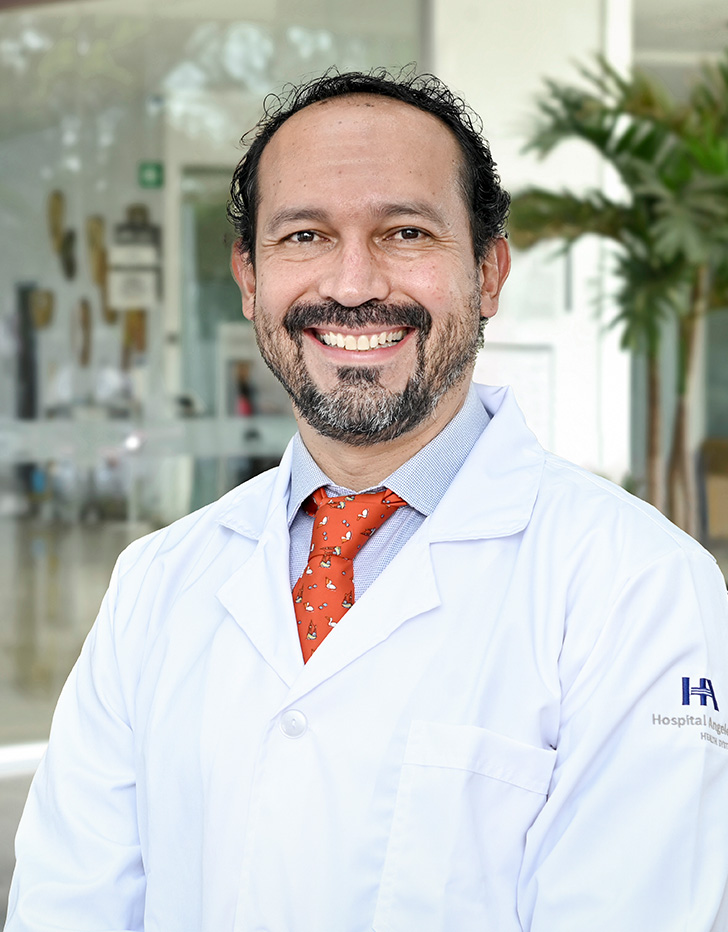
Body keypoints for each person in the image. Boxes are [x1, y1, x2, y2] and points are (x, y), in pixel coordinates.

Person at [6, 69, 728, 932]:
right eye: (305, 235)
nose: (351, 285)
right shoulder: (154, 582)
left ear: (488, 271)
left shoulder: (640, 589)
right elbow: (67, 905)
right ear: (249, 277)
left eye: (406, 231)